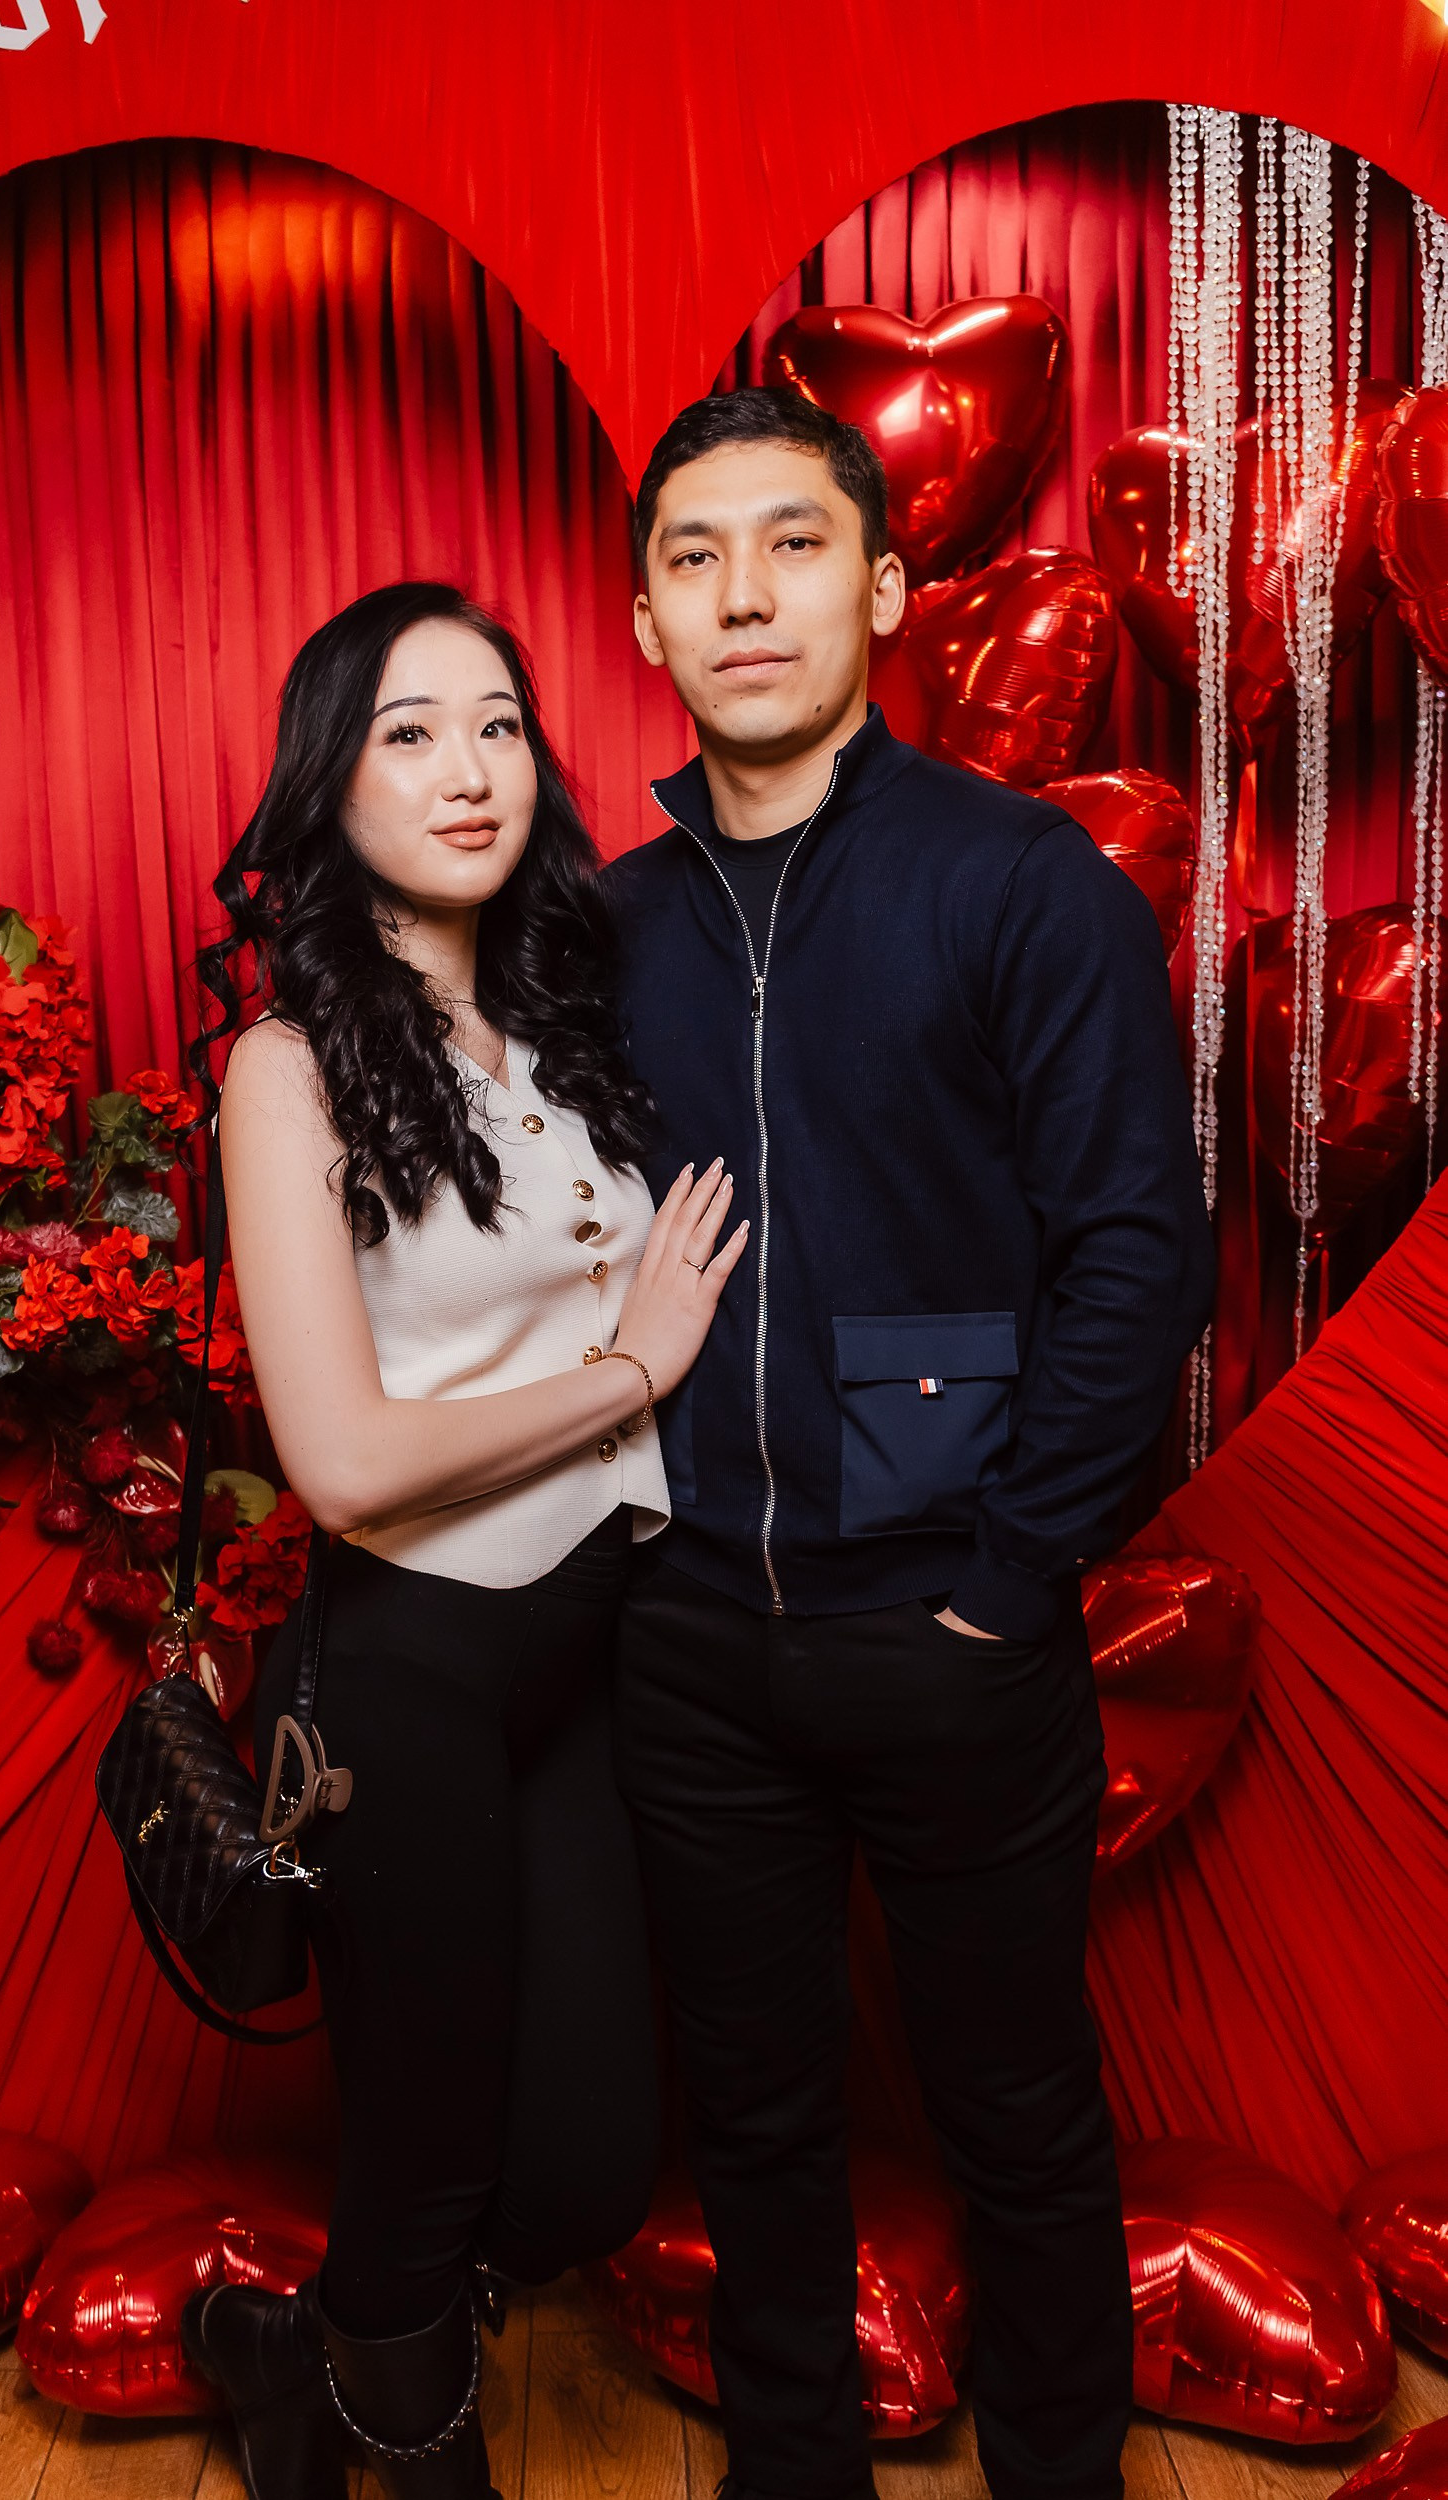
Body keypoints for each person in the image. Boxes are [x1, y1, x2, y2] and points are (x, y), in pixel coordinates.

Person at [606, 389, 1215, 2500]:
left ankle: (1062, 2475)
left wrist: (1008, 1572)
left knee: (1016, 2110)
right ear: (645, 620)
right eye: (695, 557)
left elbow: (1140, 1249)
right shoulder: (601, 927)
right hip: (690, 1640)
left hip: (955, 1622)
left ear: (880, 588)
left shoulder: (1018, 881)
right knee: (753, 2117)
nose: (743, 595)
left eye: (793, 545)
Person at [178, 579, 747, 2500]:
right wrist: (630, 1371)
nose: (469, 768)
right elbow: (340, 1463)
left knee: (581, 2166)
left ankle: (289, 2349)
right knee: (424, 2161)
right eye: (408, 733)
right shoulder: (288, 1066)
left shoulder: (562, 1023)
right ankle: (388, 2437)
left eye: (497, 723)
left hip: (586, 1651)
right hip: (410, 1667)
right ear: (328, 787)